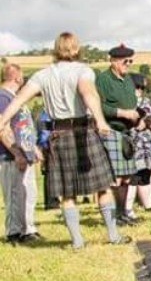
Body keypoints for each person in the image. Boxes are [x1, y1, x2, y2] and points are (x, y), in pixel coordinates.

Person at [0, 32, 130, 248]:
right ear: (77, 49)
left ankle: (77, 241)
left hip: (59, 136)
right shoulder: (83, 71)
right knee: (103, 187)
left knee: (67, 194)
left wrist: (3, 119)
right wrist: (100, 120)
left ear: (55, 49)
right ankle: (113, 235)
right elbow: (88, 93)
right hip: (84, 132)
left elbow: (20, 97)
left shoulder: (43, 75)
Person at [95, 44, 139, 224]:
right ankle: (113, 216)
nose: (127, 64)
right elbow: (99, 105)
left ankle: (123, 213)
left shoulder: (127, 79)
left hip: (128, 132)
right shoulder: (103, 80)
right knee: (116, 177)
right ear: (112, 60)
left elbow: (132, 102)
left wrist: (138, 117)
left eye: (130, 61)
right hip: (111, 130)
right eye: (124, 61)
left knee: (127, 176)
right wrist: (122, 113)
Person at [0, 63, 41, 243]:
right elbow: (3, 128)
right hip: (10, 156)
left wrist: (34, 148)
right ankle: (14, 231)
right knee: (14, 194)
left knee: (28, 193)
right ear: (16, 77)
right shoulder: (3, 98)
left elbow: (23, 125)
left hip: (26, 152)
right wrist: (16, 153)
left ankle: (27, 228)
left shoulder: (15, 97)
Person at [124, 73, 151, 218]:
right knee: (133, 177)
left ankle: (148, 206)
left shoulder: (147, 102)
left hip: (145, 142)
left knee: (145, 175)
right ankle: (127, 209)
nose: (140, 90)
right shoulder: (126, 102)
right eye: (139, 87)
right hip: (132, 143)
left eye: (141, 87)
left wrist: (147, 123)